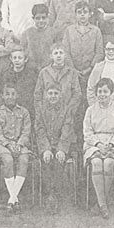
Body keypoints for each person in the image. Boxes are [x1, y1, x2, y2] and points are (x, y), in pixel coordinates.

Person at [83, 78, 114, 219]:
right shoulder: (90, 110)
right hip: (94, 144)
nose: (102, 94)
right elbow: (87, 132)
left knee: (108, 163)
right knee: (96, 163)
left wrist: (111, 144)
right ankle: (103, 204)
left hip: (113, 144)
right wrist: (98, 144)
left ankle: (101, 203)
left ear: (111, 93)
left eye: (105, 91)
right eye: (99, 91)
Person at [0, 82, 31, 214]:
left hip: (20, 144)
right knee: (7, 160)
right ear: (2, 96)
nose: (10, 97)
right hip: (2, 146)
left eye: (13, 94)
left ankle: (11, 200)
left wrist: (19, 144)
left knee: (24, 160)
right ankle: (14, 199)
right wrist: (8, 144)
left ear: (17, 95)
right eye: (7, 94)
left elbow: (26, 132)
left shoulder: (24, 112)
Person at [35, 83, 73, 214]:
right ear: (45, 95)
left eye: (56, 93)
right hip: (45, 145)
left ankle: (54, 196)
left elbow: (67, 130)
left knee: (58, 163)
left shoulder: (66, 109)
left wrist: (61, 149)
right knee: (46, 163)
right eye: (50, 93)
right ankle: (48, 195)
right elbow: (39, 130)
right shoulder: (40, 109)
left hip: (60, 145)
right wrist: (45, 148)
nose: (53, 96)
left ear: (61, 95)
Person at [63, 1, 104, 98]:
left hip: (91, 72)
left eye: (85, 12)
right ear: (75, 14)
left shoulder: (95, 31)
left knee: (89, 96)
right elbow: (66, 51)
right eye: (79, 12)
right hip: (72, 72)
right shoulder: (69, 30)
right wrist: (73, 69)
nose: (82, 15)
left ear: (90, 14)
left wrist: (89, 68)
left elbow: (99, 52)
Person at [33, 42, 82, 118]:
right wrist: (41, 111)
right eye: (55, 53)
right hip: (47, 114)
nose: (58, 55)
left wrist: (69, 110)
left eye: (61, 53)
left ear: (65, 55)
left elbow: (77, 94)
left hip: (66, 113)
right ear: (51, 56)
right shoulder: (44, 73)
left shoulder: (72, 73)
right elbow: (38, 94)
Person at [0, 45, 38, 119]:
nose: (17, 60)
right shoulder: (6, 74)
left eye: (20, 58)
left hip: (28, 108)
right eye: (14, 58)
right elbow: (1, 91)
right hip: (10, 109)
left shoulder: (31, 75)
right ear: (11, 59)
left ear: (25, 59)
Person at [20, 4, 57, 71]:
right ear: (33, 18)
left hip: (50, 69)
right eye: (38, 18)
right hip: (31, 69)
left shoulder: (53, 32)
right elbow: (23, 52)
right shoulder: (27, 34)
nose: (41, 20)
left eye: (43, 18)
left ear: (47, 17)